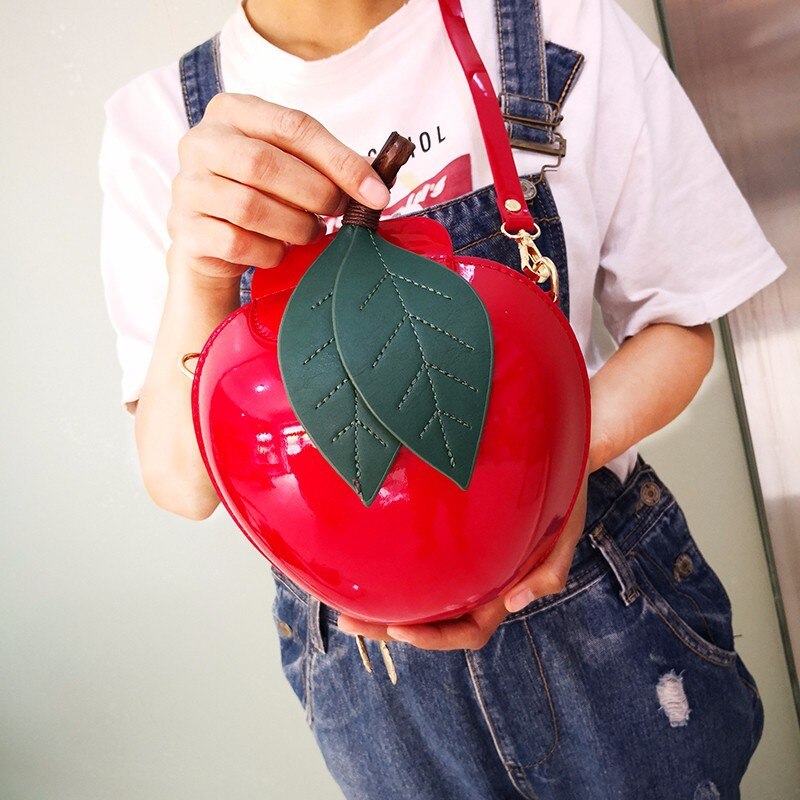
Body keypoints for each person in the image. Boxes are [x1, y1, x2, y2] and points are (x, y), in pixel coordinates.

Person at [98, 0, 787, 797]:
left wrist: (548, 484)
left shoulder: (559, 30)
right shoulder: (159, 127)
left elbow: (681, 328)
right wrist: (201, 271)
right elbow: (182, 483)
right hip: (373, 674)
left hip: (603, 602)